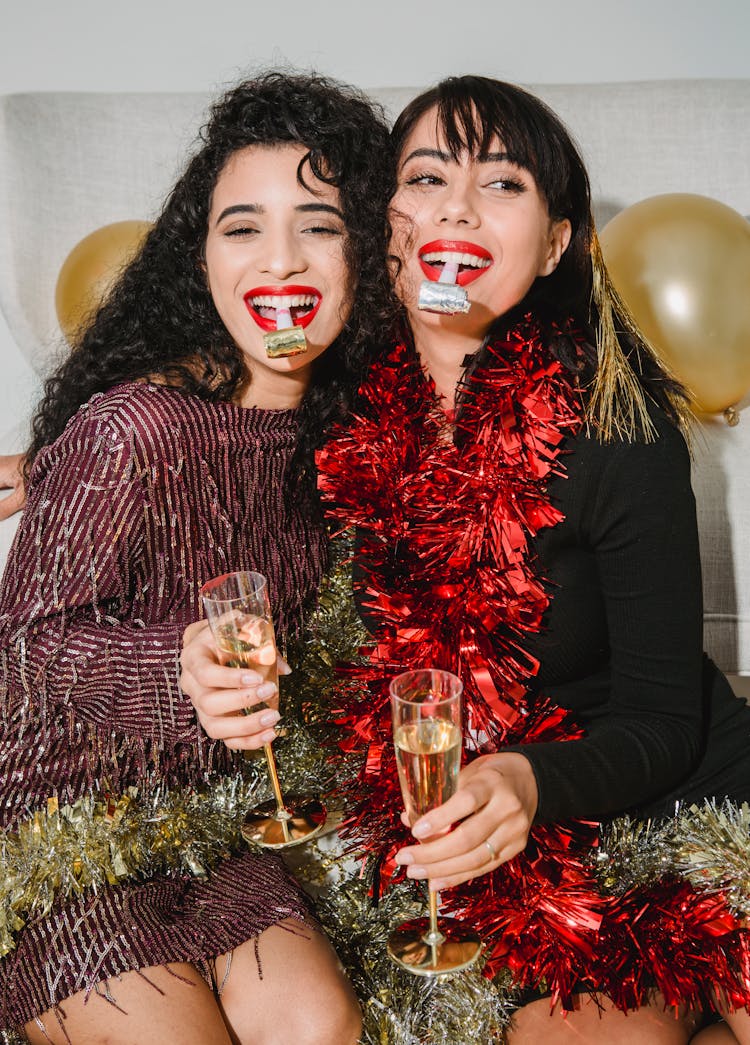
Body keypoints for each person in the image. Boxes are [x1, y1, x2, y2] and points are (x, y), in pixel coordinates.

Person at [182, 76, 750, 1044]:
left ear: (558, 243)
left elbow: (665, 718)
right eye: (429, 176)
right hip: (465, 853)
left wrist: (531, 781)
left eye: (504, 184)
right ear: (388, 223)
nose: (456, 205)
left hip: (664, 799)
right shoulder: (328, 405)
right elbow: (188, 391)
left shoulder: (619, 425)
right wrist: (59, 462)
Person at [0, 70, 395, 1045]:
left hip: (211, 817)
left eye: (319, 224)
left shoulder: (343, 444)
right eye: (242, 227)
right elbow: (25, 643)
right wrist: (172, 670)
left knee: (319, 1025)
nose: (280, 262)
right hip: (58, 825)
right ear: (202, 258)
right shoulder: (132, 428)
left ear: (370, 256)